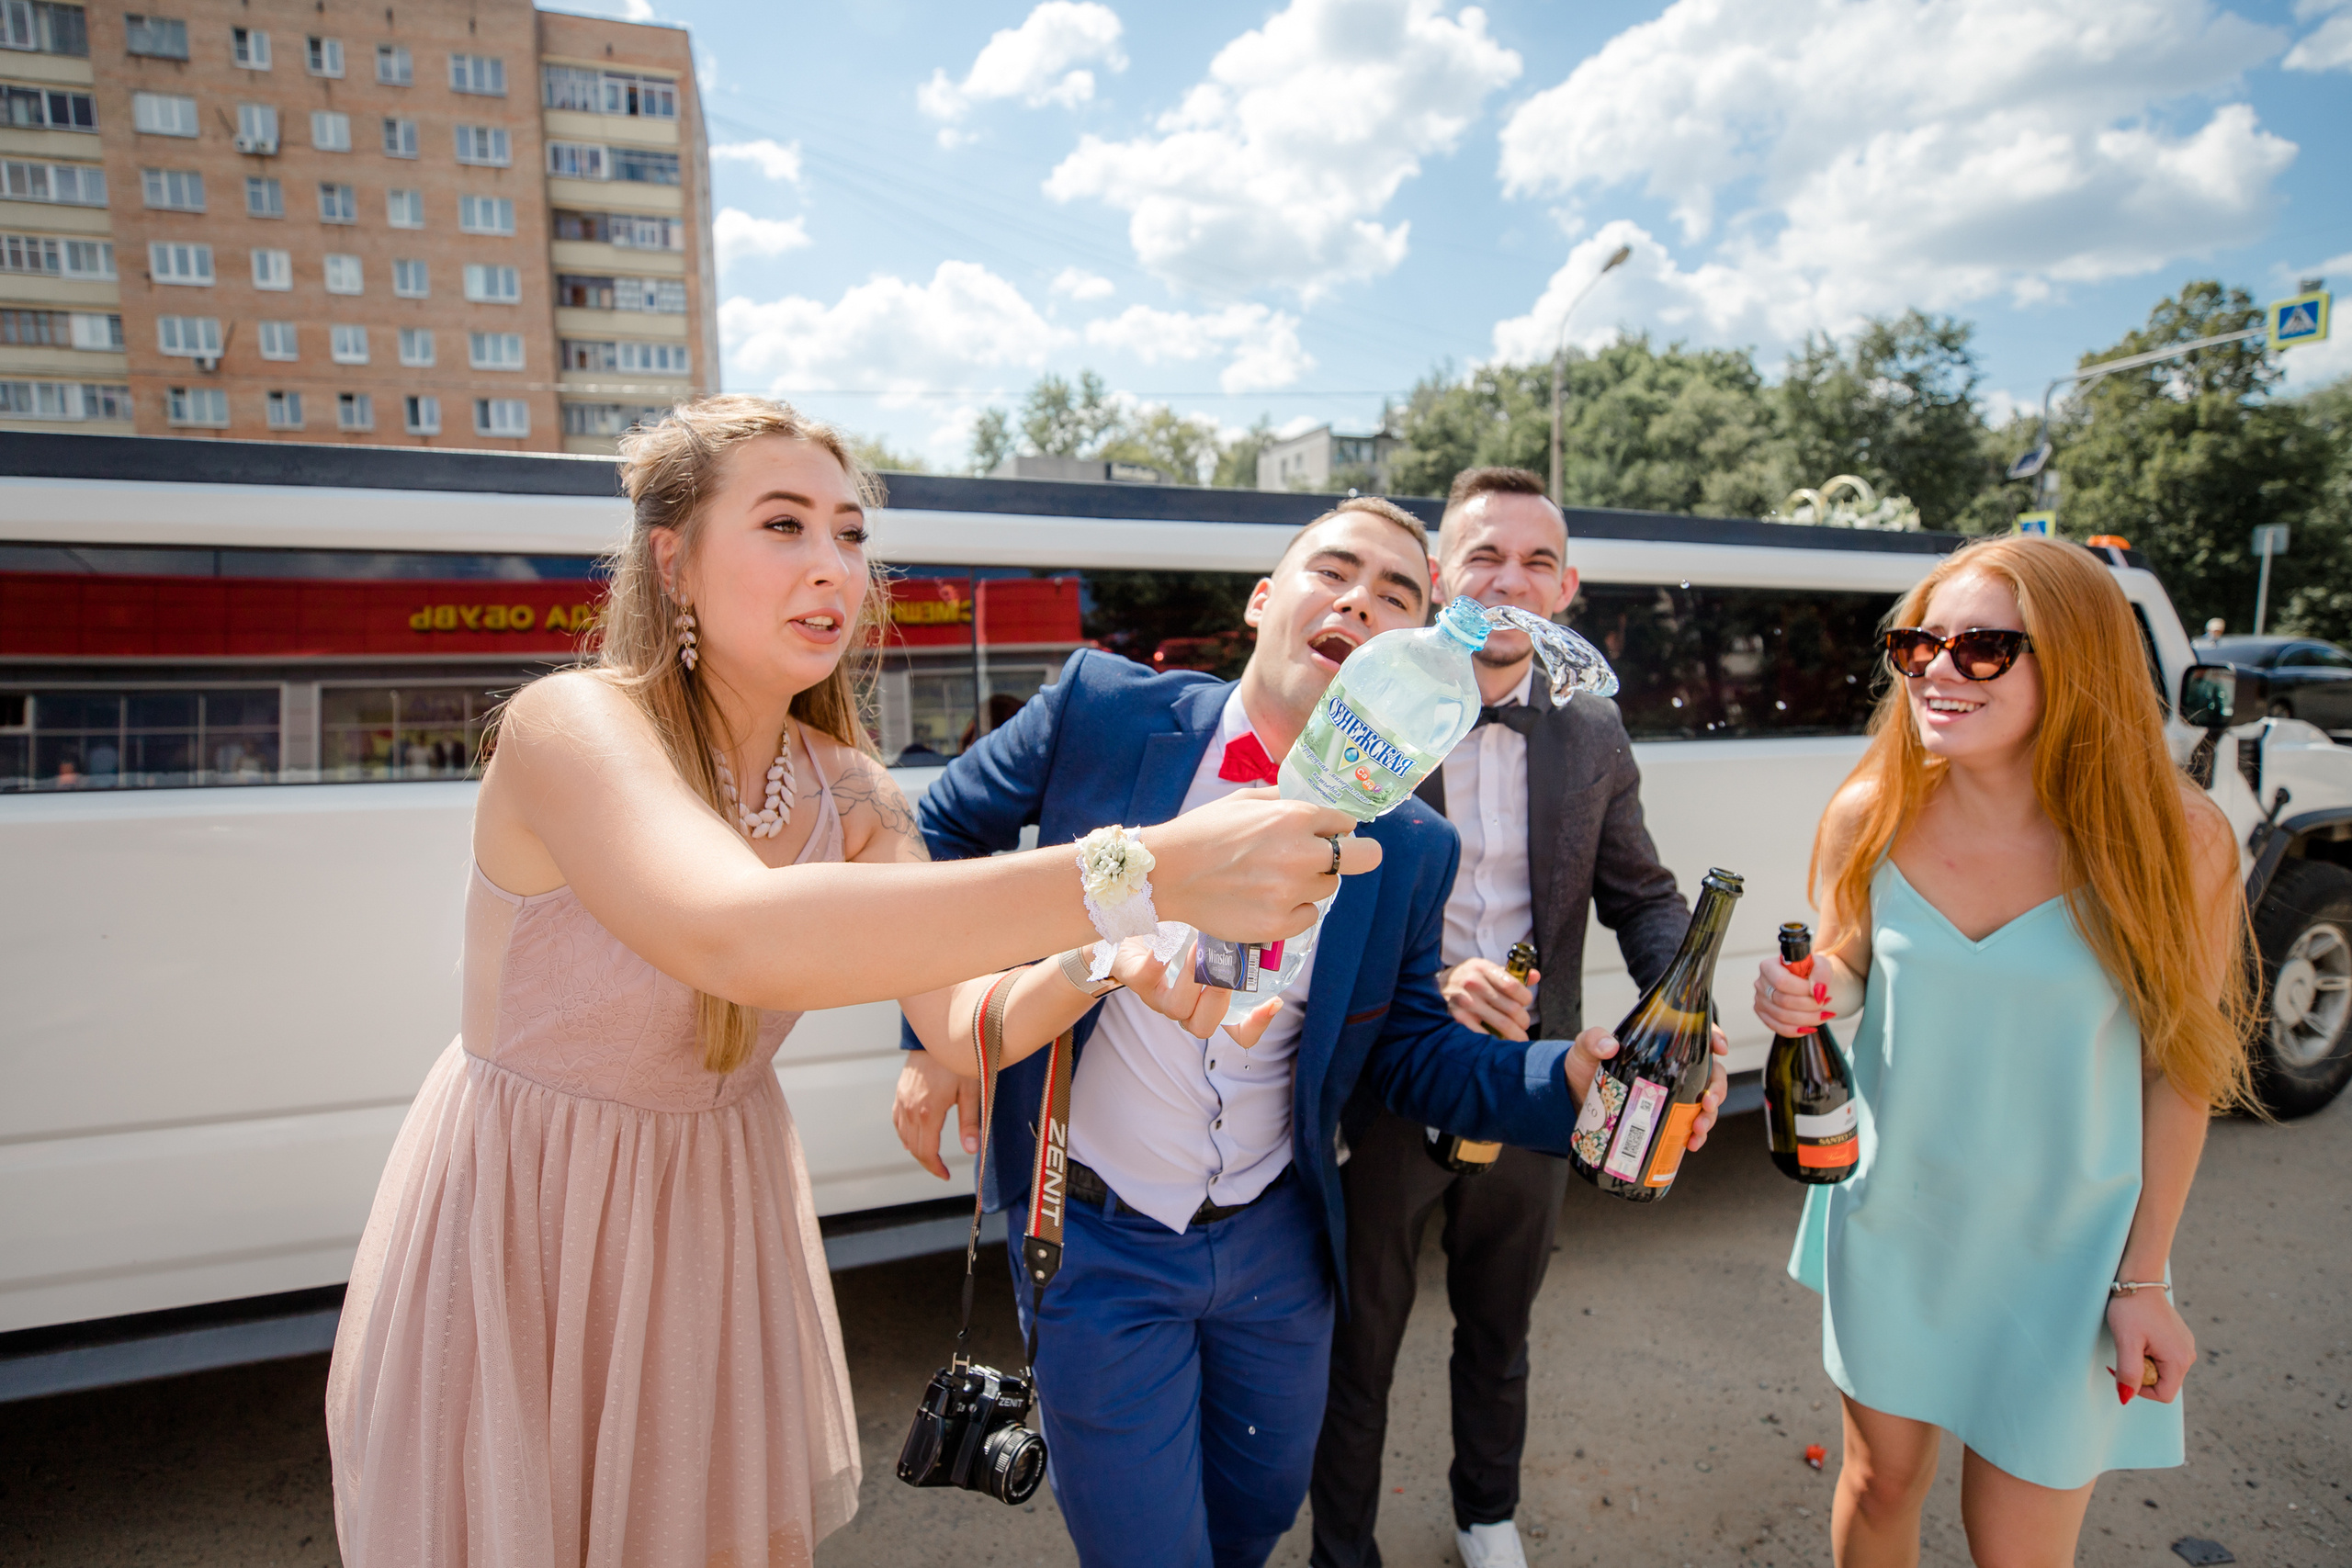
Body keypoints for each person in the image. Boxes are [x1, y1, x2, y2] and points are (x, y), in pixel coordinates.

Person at [322, 395, 1372, 1568]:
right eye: (784, 525)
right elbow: (734, 934)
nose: (833, 566)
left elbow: (966, 1024)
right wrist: (1143, 870)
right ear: (672, 561)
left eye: (851, 534)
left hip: (712, 1208)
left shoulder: (854, 790)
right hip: (533, 1206)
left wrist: (1105, 958)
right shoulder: (569, 724)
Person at [891, 495, 1731, 1568]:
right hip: (1095, 1240)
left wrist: (1561, 1078)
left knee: (1256, 1519)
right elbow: (934, 829)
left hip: (1275, 1251)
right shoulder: (1102, 709)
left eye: (1395, 596)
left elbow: (1412, 1051)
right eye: (1332, 573)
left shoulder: (1412, 845)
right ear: (1262, 600)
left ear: (1417, 658)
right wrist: (936, 1035)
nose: (1358, 603)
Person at [1751, 536, 2249, 1566]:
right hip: (1894, 1213)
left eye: (1983, 647)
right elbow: (1850, 958)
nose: (1938, 669)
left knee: (2017, 1543)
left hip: (2070, 1247)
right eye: (1918, 644)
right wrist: (1812, 989)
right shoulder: (1872, 810)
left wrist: (2143, 1282)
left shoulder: (2178, 837)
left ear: (2077, 662)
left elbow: (2181, 1071)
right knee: (1879, 1482)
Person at [1309, 468, 1693, 1568]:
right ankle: (1342, 1549)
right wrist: (1431, 978)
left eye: (1536, 562)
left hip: (1537, 1081)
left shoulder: (1594, 733)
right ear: (1442, 578)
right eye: (1484, 556)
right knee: (1358, 1345)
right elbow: (1311, 894)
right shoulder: (1371, 712)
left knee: (1500, 1328)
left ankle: (1485, 1516)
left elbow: (1643, 898)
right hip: (1389, 1082)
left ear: (1565, 589)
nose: (1508, 581)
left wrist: (1685, 1010)